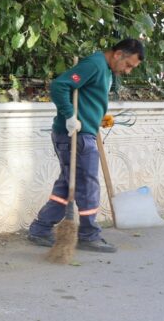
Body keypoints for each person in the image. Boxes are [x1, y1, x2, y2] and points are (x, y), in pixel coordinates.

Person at [27, 39, 144, 253]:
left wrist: (97, 117)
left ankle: (40, 228)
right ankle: (88, 235)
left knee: (66, 184)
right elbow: (60, 86)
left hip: (83, 131)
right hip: (74, 134)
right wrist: (70, 116)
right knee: (88, 184)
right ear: (118, 54)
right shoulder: (95, 64)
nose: (127, 71)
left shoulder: (105, 69)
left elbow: (88, 98)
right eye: (128, 65)